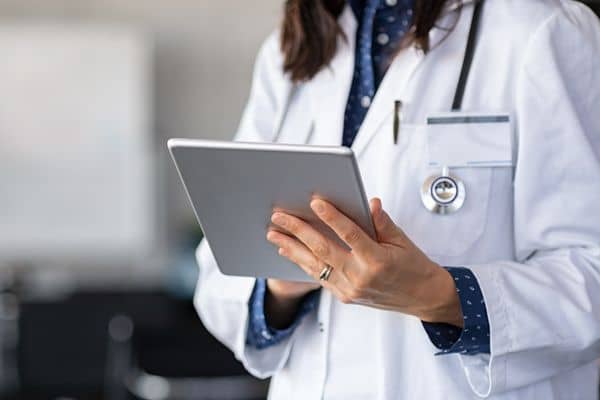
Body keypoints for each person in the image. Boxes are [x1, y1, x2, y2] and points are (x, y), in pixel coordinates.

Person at [194, 0, 600, 398]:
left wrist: (441, 295)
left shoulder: (545, 30)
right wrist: (282, 284)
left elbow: (591, 274)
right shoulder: (292, 49)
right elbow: (219, 275)